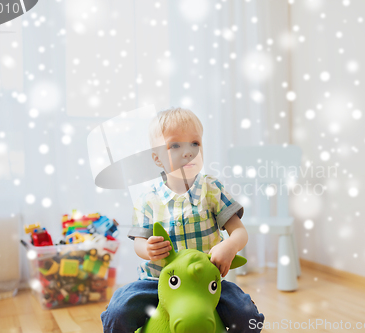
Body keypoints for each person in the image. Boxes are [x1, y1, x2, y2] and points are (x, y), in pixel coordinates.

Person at [101, 107, 265, 332]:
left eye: (195, 143)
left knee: (247, 315)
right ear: (157, 158)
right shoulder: (148, 199)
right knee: (117, 312)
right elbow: (139, 243)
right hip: (156, 281)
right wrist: (148, 249)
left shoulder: (211, 189)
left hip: (205, 284)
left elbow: (240, 232)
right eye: (175, 145)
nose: (188, 152)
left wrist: (229, 245)